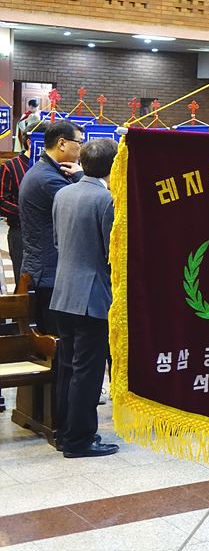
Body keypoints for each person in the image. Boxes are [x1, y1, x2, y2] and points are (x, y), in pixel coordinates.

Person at [51, 138, 120, 458]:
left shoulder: (63, 193)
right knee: (88, 373)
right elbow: (112, 253)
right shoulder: (106, 199)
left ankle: (65, 434)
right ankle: (80, 440)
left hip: (63, 291)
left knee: (68, 368)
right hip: (92, 295)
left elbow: (57, 241)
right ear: (114, 167)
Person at [19, 119, 84, 335]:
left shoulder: (46, 170)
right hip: (49, 274)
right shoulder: (48, 179)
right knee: (57, 342)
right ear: (62, 143)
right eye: (79, 143)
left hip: (45, 269)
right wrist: (81, 177)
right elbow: (82, 207)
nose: (81, 149)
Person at [0, 130, 31, 285]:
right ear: (30, 142)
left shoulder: (55, 167)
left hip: (48, 233)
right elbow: (1, 201)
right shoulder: (11, 166)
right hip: (20, 231)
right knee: (22, 281)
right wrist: (26, 213)